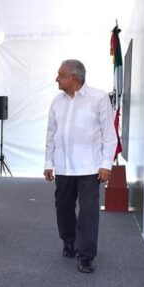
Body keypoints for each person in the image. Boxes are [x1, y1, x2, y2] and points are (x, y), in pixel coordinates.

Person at [44, 59, 116, 273]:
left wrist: (106, 164)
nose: (56, 79)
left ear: (73, 77)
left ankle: (86, 255)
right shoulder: (57, 101)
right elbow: (51, 134)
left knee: (88, 211)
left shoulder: (99, 98)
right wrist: (48, 162)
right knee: (63, 207)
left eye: (60, 75)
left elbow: (109, 135)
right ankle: (68, 240)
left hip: (90, 168)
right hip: (64, 167)